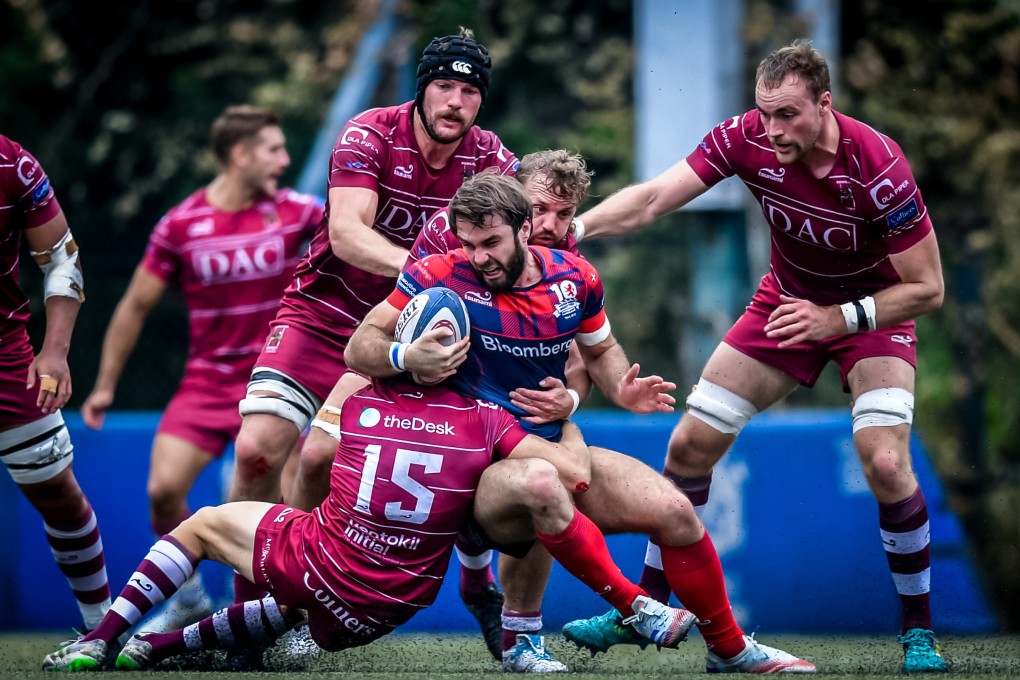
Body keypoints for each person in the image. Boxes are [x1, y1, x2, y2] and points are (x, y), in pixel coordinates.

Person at [561, 40, 947, 674]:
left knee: (883, 460)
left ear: (825, 104)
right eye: (764, 113)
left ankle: (919, 634)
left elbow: (927, 288)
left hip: (874, 315)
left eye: (788, 115)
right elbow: (656, 197)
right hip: (787, 304)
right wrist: (577, 231)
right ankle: (649, 609)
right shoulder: (746, 137)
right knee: (687, 447)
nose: (772, 130)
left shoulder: (878, 164)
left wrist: (840, 318)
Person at [345, 172, 816, 673]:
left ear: (524, 231)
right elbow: (360, 346)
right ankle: (570, 624)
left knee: (675, 511)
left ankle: (729, 649)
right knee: (545, 485)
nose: (479, 257)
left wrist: (619, 387)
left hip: (545, 443)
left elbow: (602, 350)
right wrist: (404, 353)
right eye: (468, 244)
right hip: (472, 468)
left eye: (491, 243)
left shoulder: (575, 279)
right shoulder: (438, 273)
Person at [41, 322, 696, 672]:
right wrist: (569, 415)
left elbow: (321, 446)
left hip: (322, 561)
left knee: (206, 525)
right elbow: (569, 473)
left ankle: (102, 638)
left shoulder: (359, 394)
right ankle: (157, 650)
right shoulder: (484, 420)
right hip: (390, 605)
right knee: (503, 497)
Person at [230, 29, 516, 583]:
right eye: (443, 86)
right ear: (422, 90)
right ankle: (249, 602)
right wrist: (429, 271)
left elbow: (524, 247)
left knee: (321, 459)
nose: (456, 102)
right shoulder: (370, 134)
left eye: (469, 91)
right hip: (322, 316)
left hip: (403, 338)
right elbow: (346, 235)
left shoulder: (492, 160)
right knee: (257, 453)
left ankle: (294, 597)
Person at [294, 150, 593, 665]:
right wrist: (406, 358)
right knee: (316, 457)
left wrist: (570, 398)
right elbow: (383, 327)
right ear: (515, 203)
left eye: (564, 215)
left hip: (486, 400)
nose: (550, 225)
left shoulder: (563, 260)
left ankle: (502, 609)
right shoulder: (452, 230)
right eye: (540, 208)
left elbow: (583, 354)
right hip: (410, 365)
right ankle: (290, 604)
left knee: (542, 471)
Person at [79, 106, 321, 631]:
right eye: (273, 149)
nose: (285, 160)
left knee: (291, 490)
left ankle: (276, 610)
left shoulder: (300, 212)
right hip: (207, 380)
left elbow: (348, 237)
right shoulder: (181, 223)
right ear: (240, 155)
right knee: (163, 491)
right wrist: (103, 387)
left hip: (277, 378)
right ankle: (188, 598)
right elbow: (135, 305)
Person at [0, 134, 112, 632]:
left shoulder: (11, 163)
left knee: (57, 493)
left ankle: (99, 627)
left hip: (5, 356)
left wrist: (55, 350)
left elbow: (61, 256)